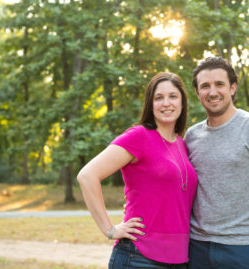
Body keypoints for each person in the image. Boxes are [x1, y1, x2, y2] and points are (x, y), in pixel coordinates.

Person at [78, 72, 197, 269]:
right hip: (139, 257)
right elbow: (87, 175)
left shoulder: (183, 145)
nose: (166, 103)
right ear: (151, 104)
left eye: (173, 96)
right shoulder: (138, 136)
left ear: (182, 103)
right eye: (159, 98)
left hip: (180, 259)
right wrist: (109, 229)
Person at [186, 56, 249, 269]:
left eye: (220, 84)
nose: (212, 92)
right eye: (205, 86)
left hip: (243, 250)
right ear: (197, 93)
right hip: (196, 249)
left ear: (232, 88)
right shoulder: (191, 135)